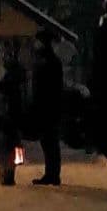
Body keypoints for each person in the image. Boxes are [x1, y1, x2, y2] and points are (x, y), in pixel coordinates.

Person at [31, 28, 64, 186]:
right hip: (48, 106)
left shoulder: (49, 61)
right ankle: (51, 173)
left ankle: (53, 175)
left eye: (38, 41)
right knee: (48, 142)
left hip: (48, 107)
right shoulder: (46, 59)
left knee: (50, 142)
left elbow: (49, 87)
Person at [0, 48, 24, 186]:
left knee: (5, 147)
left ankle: (5, 175)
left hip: (5, 117)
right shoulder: (17, 79)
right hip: (12, 118)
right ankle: (7, 174)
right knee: (12, 146)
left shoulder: (8, 80)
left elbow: (3, 94)